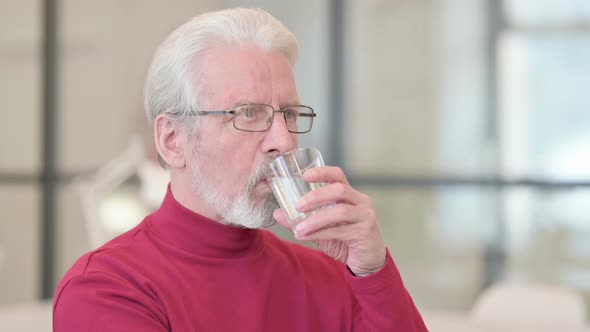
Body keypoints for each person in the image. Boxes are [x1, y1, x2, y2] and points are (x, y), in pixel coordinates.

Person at [53, 8, 427, 331]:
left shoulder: (329, 274)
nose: (283, 139)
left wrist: (372, 271)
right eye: (249, 113)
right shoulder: (107, 289)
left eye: (290, 114)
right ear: (172, 140)